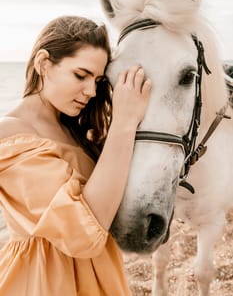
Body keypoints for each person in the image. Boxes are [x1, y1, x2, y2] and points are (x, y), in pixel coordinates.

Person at [0, 15, 151, 296]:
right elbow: (82, 234)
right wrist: (124, 122)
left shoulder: (77, 130)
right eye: (80, 75)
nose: (91, 91)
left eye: (97, 80)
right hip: (44, 281)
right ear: (43, 63)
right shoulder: (10, 136)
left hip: (100, 275)